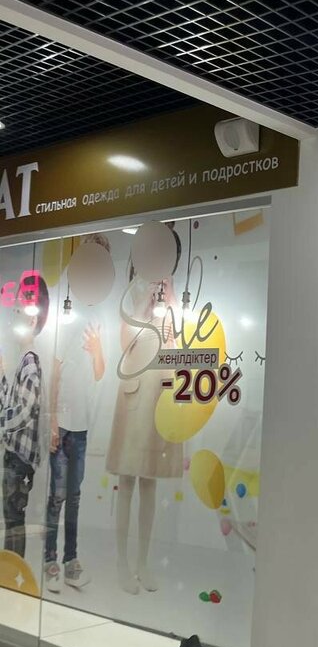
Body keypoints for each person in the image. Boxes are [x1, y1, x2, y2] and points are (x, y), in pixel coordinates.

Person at [106, 228, 183, 594]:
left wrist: (171, 299)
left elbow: (180, 343)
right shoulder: (133, 290)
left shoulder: (171, 291)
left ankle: (142, 563)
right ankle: (122, 563)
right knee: (127, 481)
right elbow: (124, 343)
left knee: (149, 481)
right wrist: (143, 309)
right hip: (134, 392)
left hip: (158, 396)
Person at [44, 234, 109, 592]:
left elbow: (100, 372)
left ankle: (71, 559)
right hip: (64, 425)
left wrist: (98, 349)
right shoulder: (67, 317)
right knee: (57, 495)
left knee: (74, 498)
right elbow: (55, 374)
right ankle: (50, 559)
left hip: (81, 429)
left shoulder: (97, 319)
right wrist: (53, 421)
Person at [1, 272, 49, 557]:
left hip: (19, 459)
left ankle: (13, 570)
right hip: (14, 456)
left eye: (20, 311)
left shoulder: (30, 363)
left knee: (14, 520)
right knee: (11, 519)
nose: (14, 316)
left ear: (32, 320)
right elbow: (11, 405)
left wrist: (2, 425)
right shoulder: (22, 361)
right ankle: (10, 569)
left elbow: (24, 411)